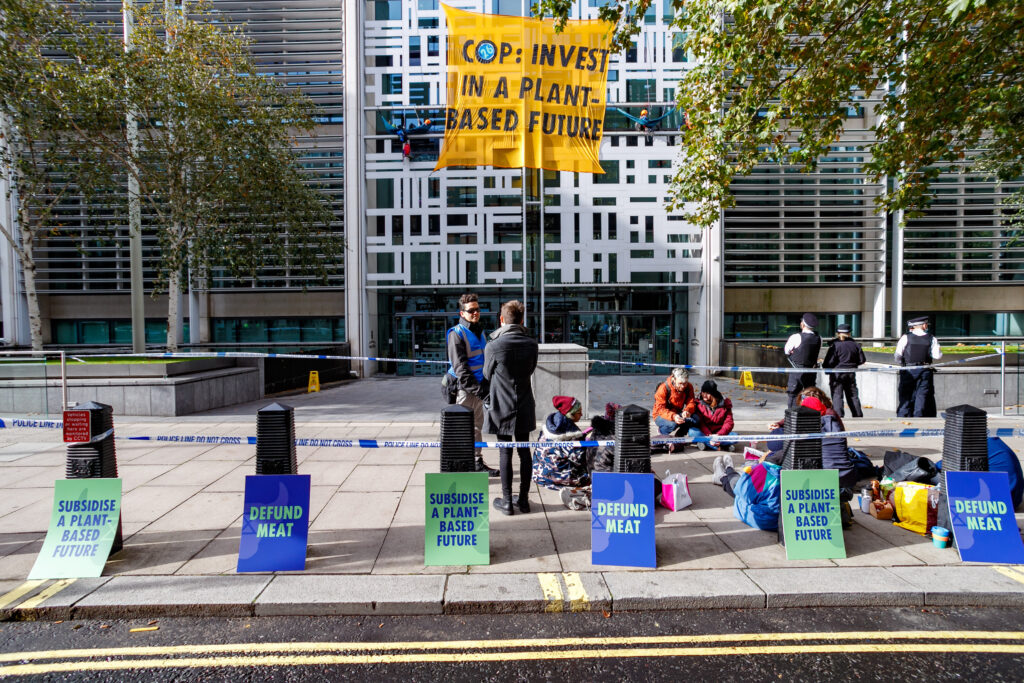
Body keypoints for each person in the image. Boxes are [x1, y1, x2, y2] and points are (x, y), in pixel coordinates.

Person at [483, 300, 539, 515]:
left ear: (501, 320)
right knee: (525, 452)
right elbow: (531, 369)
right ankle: (523, 501)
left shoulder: (494, 345)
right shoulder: (532, 344)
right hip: (524, 403)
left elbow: (487, 374)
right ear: (522, 320)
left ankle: (507, 501)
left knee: (504, 453)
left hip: (501, 405)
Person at [445, 293, 497, 476]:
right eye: (471, 310)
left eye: (477, 309)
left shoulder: (479, 331)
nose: (475, 313)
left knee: (475, 427)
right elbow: (461, 370)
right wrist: (482, 391)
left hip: (478, 388)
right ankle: (460, 468)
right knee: (462, 429)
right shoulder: (456, 334)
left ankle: (476, 462)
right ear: (462, 313)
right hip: (464, 390)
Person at [710, 453, 782, 531]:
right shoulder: (793, 466)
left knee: (738, 492)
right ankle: (727, 471)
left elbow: (740, 490)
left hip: (765, 520)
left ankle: (724, 475)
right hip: (788, 522)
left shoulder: (764, 469)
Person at [533, 396, 590, 491]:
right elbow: (579, 459)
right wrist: (587, 444)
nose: (582, 414)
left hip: (539, 475)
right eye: (579, 412)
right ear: (570, 415)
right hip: (556, 476)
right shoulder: (571, 434)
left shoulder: (549, 425)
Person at [895, 316, 942, 417]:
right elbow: (937, 356)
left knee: (905, 394)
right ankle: (918, 417)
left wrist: (902, 363)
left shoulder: (905, 337)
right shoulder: (931, 338)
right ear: (924, 325)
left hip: (908, 369)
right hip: (925, 370)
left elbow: (898, 355)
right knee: (922, 395)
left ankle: (903, 416)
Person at [822, 322, 866, 418]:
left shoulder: (835, 346)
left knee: (837, 396)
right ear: (849, 333)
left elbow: (828, 362)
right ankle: (858, 416)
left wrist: (827, 367)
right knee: (853, 396)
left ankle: (839, 416)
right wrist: (853, 364)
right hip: (850, 373)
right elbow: (862, 360)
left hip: (837, 374)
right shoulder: (855, 345)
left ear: (838, 333)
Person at [784, 312, 822, 408]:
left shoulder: (796, 337)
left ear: (802, 324)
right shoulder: (819, 338)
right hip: (811, 371)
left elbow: (787, 351)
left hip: (796, 369)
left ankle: (793, 418)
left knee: (793, 395)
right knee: (811, 395)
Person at [652, 367, 697, 443]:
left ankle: (679, 437)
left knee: (695, 419)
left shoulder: (689, 386)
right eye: (680, 383)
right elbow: (660, 409)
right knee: (673, 424)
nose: (683, 386)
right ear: (674, 379)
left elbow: (691, 402)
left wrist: (687, 411)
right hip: (660, 414)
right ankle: (662, 432)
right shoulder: (663, 388)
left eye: (685, 383)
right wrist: (673, 416)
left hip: (677, 412)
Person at [690, 379, 735, 452]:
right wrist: (709, 436)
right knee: (692, 432)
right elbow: (701, 423)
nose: (704, 395)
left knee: (735, 437)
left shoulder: (725, 404)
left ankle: (706, 444)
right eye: (703, 392)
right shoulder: (698, 404)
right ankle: (719, 446)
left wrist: (719, 435)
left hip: (720, 433)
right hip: (705, 433)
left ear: (713, 394)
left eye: (707, 393)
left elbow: (729, 422)